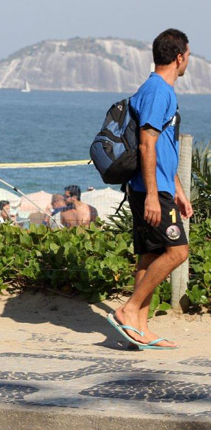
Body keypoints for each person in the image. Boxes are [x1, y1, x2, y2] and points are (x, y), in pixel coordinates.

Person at [108, 29, 192, 350]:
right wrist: (156, 195)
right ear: (179, 57)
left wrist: (179, 190)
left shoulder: (158, 89)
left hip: (155, 187)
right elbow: (147, 144)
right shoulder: (159, 92)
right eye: (187, 55)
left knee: (150, 256)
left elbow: (165, 146)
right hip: (150, 190)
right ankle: (129, 310)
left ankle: (140, 329)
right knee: (177, 252)